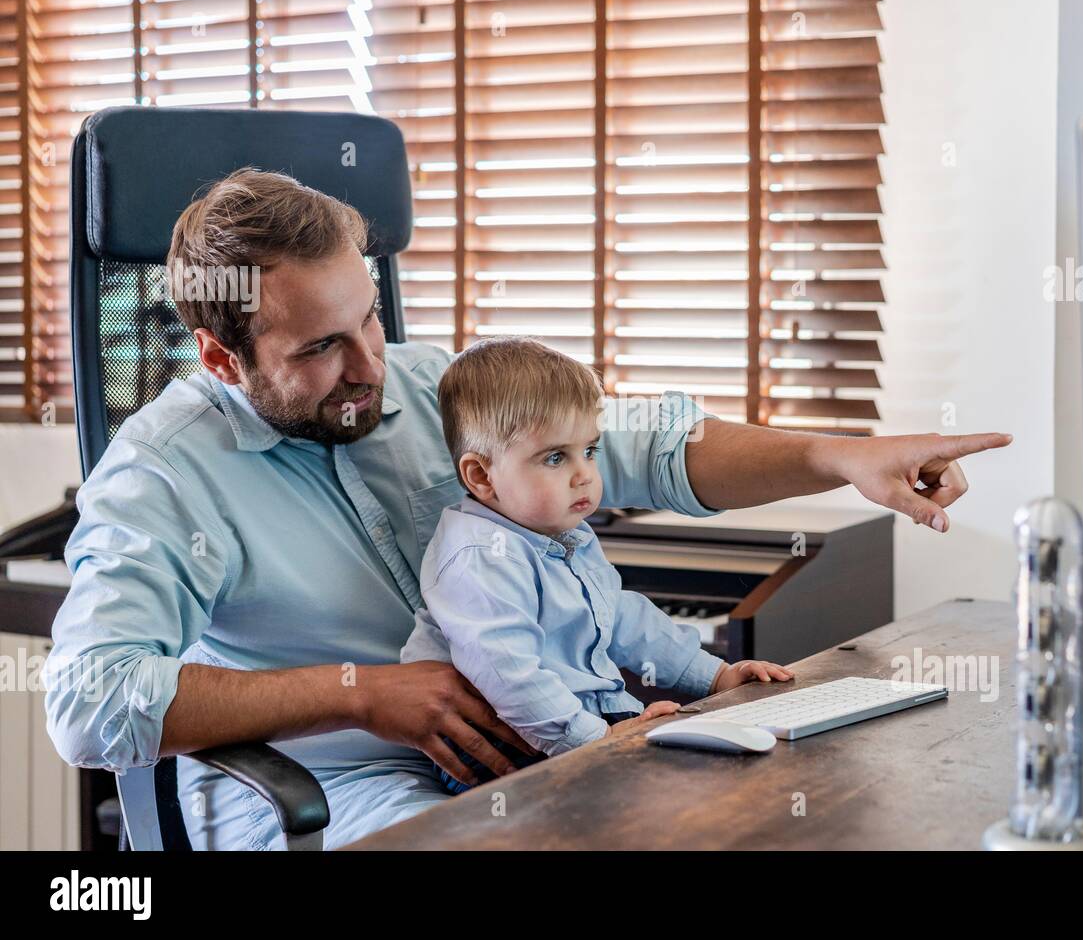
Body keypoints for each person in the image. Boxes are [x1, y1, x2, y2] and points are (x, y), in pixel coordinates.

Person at [43, 167, 1012, 849]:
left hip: (527, 752)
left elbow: (634, 438)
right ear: (222, 358)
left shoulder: (425, 385)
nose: (371, 364)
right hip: (335, 787)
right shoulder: (162, 476)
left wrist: (839, 456)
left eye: (372, 314)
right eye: (321, 348)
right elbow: (88, 701)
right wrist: (361, 690)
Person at [402, 337, 794, 793]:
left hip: (580, 723)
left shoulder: (562, 533)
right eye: (554, 457)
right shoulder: (479, 556)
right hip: (508, 747)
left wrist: (715, 676)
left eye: (589, 451)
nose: (583, 473)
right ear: (482, 476)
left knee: (733, 777)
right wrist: (597, 740)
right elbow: (508, 674)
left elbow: (621, 618)